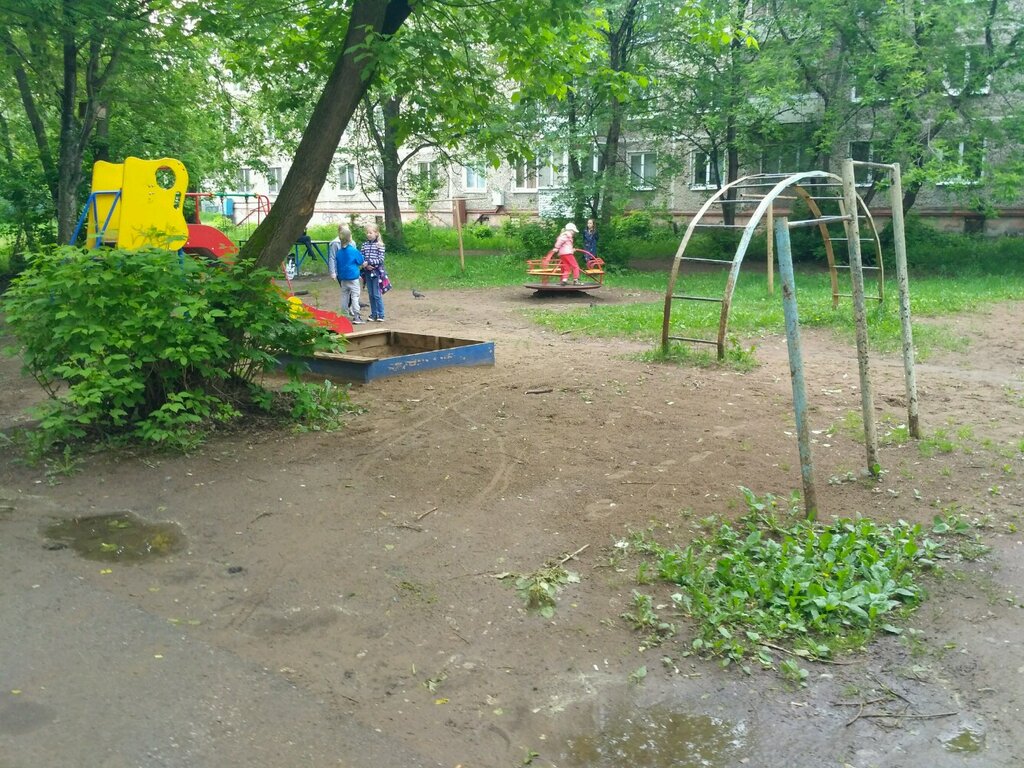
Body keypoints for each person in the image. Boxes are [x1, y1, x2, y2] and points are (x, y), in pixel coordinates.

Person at [328, 224, 365, 323]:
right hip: (353, 277)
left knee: (344, 295)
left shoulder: (339, 252)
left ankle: (344, 314)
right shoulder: (353, 250)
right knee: (355, 295)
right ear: (350, 238)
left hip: (343, 277)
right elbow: (360, 261)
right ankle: (357, 316)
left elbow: (335, 260)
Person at [360, 223, 389, 322]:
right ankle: (373, 314)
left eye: (370, 233)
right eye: (367, 233)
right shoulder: (364, 245)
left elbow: (381, 259)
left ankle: (381, 314)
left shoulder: (380, 245)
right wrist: (365, 265)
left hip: (376, 272)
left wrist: (370, 262)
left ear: (376, 233)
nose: (368, 234)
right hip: (367, 272)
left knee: (376, 294)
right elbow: (361, 256)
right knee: (371, 294)